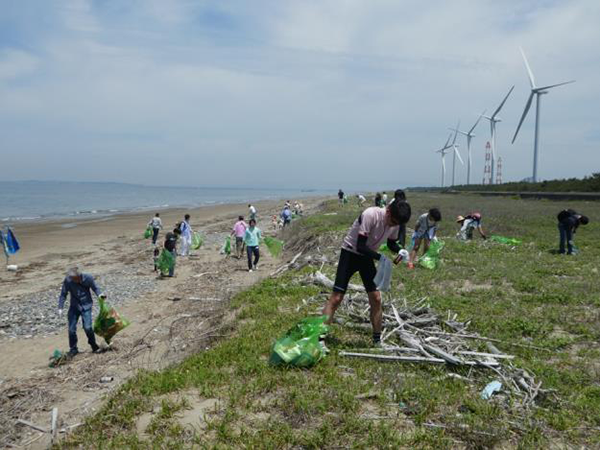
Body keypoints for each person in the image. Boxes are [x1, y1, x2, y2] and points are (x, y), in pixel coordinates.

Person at [322, 201, 412, 344]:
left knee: (376, 298)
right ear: (388, 211)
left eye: (396, 225)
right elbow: (360, 246)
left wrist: (399, 250)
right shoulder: (371, 214)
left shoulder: (395, 223)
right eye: (392, 221)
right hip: (350, 253)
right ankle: (320, 338)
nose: (392, 226)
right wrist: (379, 257)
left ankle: (377, 341)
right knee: (337, 297)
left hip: (367, 257)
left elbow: (391, 243)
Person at [57, 267, 102, 356]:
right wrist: (60, 307)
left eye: (75, 279)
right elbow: (63, 294)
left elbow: (95, 288)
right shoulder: (68, 280)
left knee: (88, 328)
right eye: (72, 279)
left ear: (79, 276)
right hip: (74, 307)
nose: (74, 280)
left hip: (86, 305)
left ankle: (94, 345)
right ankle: (73, 349)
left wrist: (100, 295)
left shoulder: (88, 278)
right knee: (71, 330)